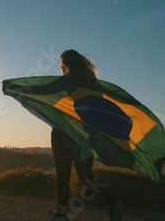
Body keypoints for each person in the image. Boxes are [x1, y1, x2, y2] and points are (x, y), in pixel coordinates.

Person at [48, 49, 122, 221]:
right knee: (85, 175)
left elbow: (42, 91)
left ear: (65, 64)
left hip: (62, 133)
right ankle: (113, 200)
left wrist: (15, 86)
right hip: (84, 136)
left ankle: (62, 213)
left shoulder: (64, 82)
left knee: (63, 175)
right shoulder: (94, 84)